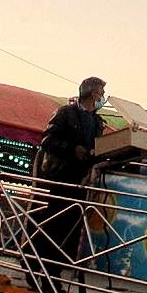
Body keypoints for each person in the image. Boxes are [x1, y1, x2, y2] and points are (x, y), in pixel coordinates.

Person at [31, 76, 106, 278]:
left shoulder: (99, 122)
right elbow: (47, 139)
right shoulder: (66, 113)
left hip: (81, 180)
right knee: (53, 224)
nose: (103, 97)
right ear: (93, 93)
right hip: (61, 175)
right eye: (101, 93)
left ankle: (53, 273)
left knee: (69, 229)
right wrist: (72, 149)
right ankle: (33, 262)